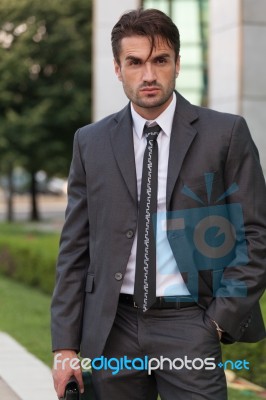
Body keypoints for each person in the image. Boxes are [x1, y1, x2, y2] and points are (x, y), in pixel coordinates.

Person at [51, 8, 266, 400]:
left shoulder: (226, 134)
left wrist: (219, 321)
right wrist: (64, 346)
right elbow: (74, 248)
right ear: (118, 68)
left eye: (160, 60)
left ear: (178, 64)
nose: (148, 75)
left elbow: (255, 235)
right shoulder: (90, 142)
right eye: (134, 62)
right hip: (112, 326)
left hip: (190, 322)